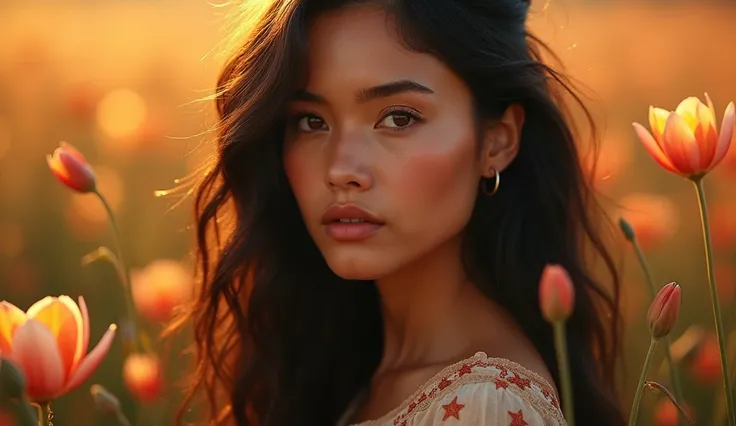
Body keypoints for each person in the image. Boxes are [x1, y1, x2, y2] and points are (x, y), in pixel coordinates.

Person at [173, 0, 626, 424]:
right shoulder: (352, 369)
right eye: (312, 121)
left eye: (398, 118)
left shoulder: (483, 407)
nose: (341, 169)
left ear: (498, 140)